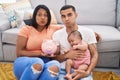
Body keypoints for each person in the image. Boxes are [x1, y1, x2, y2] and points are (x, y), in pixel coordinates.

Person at [13, 4, 62, 80]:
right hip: (25, 62)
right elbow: (19, 53)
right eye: (39, 15)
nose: (42, 17)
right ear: (34, 16)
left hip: (45, 62)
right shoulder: (26, 29)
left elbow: (70, 28)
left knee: (55, 65)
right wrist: (39, 54)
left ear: (49, 18)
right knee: (38, 62)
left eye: (45, 15)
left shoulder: (53, 28)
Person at [52, 5, 99, 80]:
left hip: (83, 69)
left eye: (69, 15)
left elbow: (95, 54)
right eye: (63, 16)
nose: (66, 19)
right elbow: (54, 59)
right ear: (61, 18)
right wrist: (66, 55)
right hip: (64, 70)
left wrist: (88, 72)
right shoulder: (57, 34)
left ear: (76, 15)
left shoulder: (88, 32)